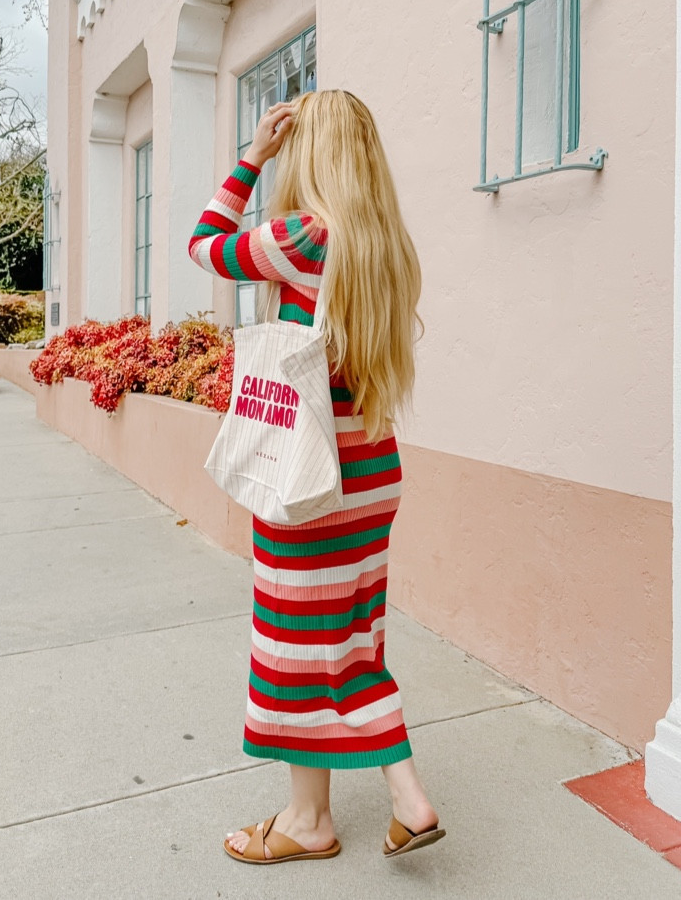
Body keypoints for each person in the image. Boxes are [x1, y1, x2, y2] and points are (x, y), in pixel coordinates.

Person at [189, 88, 444, 865]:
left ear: (310, 153)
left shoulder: (302, 236)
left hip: (310, 477)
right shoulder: (385, 244)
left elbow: (205, 244)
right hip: (370, 470)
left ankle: (339, 813)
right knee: (349, 642)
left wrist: (251, 156)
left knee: (298, 647)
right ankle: (345, 809)